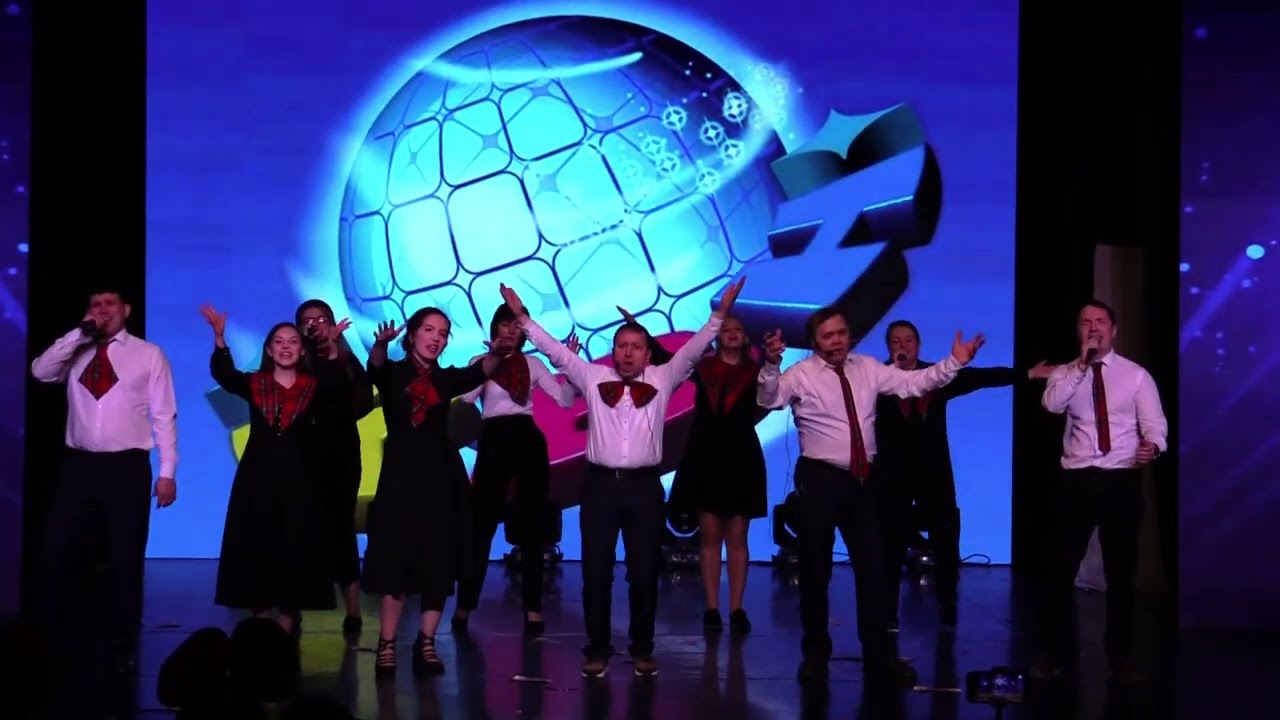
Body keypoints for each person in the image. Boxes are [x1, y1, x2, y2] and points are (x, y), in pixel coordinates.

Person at [500, 277, 745, 678]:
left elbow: (694, 348)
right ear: (613, 351)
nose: (627, 352)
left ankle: (643, 648)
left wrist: (719, 315)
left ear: (648, 354)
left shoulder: (664, 377)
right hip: (600, 487)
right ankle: (597, 648)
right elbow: (556, 352)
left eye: (635, 346)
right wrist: (523, 319)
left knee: (644, 572)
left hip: (644, 489)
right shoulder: (593, 377)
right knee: (596, 572)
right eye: (621, 346)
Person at [756, 306, 984, 685]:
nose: (836, 341)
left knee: (875, 567)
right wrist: (770, 365)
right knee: (816, 569)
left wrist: (953, 362)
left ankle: (879, 655)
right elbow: (769, 399)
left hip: (863, 481)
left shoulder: (867, 368)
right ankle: (816, 653)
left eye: (841, 333)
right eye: (828, 336)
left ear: (850, 335)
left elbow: (915, 383)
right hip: (820, 479)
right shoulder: (801, 374)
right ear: (815, 342)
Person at [30, 287, 178, 673]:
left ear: (126, 310)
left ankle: (121, 646)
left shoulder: (148, 354)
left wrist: (167, 473)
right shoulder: (76, 350)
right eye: (95, 304)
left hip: (126, 468)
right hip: (78, 467)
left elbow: (164, 415)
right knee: (56, 551)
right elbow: (41, 371)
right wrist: (79, 334)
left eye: (109, 304)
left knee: (123, 558)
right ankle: (58, 638)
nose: (101, 309)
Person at [874, 319, 1055, 629]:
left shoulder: (937, 375)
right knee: (890, 545)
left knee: (946, 540)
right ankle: (887, 615)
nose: (903, 346)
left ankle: (947, 604)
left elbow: (979, 378)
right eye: (896, 341)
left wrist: (1027, 374)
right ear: (888, 347)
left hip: (934, 473)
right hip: (893, 477)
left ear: (918, 345)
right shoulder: (877, 380)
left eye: (908, 340)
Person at [361, 307, 505, 677]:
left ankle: (426, 642)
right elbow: (375, 367)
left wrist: (498, 351)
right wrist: (381, 344)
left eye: (442, 333)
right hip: (400, 476)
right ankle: (387, 643)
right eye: (428, 330)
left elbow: (481, 371)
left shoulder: (446, 378)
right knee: (396, 561)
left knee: (437, 561)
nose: (436, 338)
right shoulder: (393, 373)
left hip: (441, 476)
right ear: (411, 335)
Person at [1032, 300, 1166, 685]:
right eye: (1086, 322)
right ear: (1079, 332)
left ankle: (1120, 657)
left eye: (1101, 321)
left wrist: (1153, 447)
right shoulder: (1064, 373)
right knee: (1059, 572)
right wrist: (1080, 366)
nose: (1093, 328)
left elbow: (1156, 426)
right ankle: (1053, 653)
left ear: (1114, 330)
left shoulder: (1136, 376)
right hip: (1076, 483)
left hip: (1120, 481)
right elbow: (1052, 404)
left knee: (1121, 575)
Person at [203, 310, 354, 631]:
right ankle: (260, 626)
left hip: (301, 479)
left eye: (293, 341)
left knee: (294, 547)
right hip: (257, 479)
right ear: (269, 351)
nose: (286, 347)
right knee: (257, 546)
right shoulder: (255, 383)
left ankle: (287, 624)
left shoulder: (314, 386)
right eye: (279, 342)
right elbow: (224, 374)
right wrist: (219, 336)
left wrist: (329, 344)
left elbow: (338, 383)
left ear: (302, 350)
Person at [452, 304, 580, 635]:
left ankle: (532, 607)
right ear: (495, 328)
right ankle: (465, 603)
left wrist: (571, 368)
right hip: (493, 440)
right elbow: (466, 398)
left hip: (527, 440)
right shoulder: (481, 362)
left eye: (516, 326)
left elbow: (565, 400)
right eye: (504, 324)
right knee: (481, 526)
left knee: (532, 526)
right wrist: (489, 363)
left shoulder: (533, 364)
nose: (511, 330)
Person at [667, 314, 771, 633]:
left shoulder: (755, 371)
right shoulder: (703, 368)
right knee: (710, 536)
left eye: (738, 329)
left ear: (746, 337)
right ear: (717, 336)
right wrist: (641, 333)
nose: (732, 333)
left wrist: (772, 360)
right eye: (726, 329)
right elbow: (668, 362)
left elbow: (773, 393)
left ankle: (737, 608)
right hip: (705, 459)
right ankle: (712, 608)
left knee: (737, 538)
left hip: (741, 459)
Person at [295, 300, 375, 636]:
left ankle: (353, 610)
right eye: (307, 321)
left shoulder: (345, 360)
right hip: (301, 455)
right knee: (300, 528)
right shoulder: (294, 361)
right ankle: (293, 607)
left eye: (321, 319)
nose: (315, 325)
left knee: (341, 527)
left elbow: (364, 399)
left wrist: (337, 412)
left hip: (341, 454)